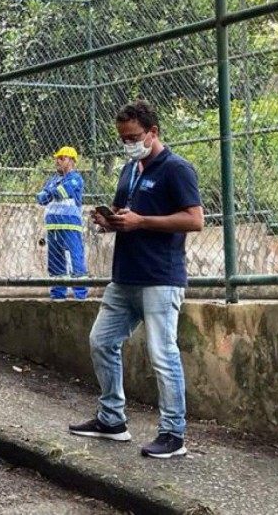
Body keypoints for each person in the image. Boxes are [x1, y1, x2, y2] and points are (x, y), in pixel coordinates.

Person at [69, 100, 203, 460]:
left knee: (163, 354)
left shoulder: (176, 169)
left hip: (160, 277)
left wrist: (142, 222)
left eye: (134, 137)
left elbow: (195, 219)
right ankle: (112, 420)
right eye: (123, 138)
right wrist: (110, 221)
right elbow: (127, 214)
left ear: (153, 132)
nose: (128, 143)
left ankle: (174, 434)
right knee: (101, 341)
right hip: (124, 277)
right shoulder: (129, 169)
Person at [36, 146, 87, 300]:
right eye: (57, 158)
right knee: (55, 262)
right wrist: (52, 191)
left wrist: (51, 191)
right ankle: (58, 295)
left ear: (71, 161)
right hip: (53, 228)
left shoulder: (75, 178)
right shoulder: (53, 179)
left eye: (62, 158)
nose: (57, 161)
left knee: (74, 260)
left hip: (70, 226)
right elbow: (41, 199)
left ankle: (80, 296)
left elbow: (63, 192)